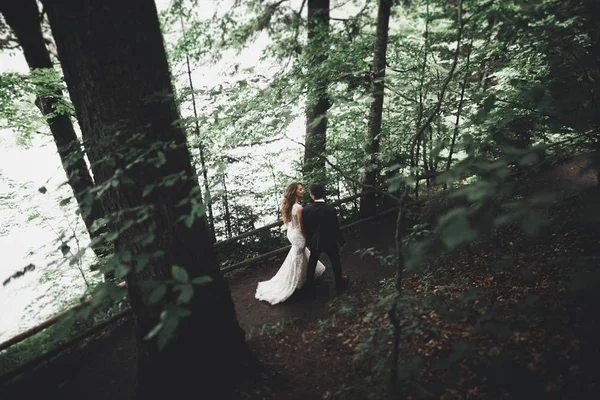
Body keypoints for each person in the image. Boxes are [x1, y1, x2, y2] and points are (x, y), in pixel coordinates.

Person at [255, 182, 326, 305]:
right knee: (298, 256)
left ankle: (304, 278)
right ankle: (296, 282)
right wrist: (308, 237)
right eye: (300, 189)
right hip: (298, 235)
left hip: (291, 233)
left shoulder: (290, 205)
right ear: (294, 192)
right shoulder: (298, 208)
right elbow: (302, 227)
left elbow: (289, 222)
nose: (303, 190)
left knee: (298, 255)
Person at [302, 183, 349, 293]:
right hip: (329, 241)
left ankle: (310, 287)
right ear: (323, 193)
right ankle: (339, 284)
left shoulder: (306, 210)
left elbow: (307, 228)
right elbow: (335, 228)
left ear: (311, 195)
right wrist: (341, 241)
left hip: (315, 241)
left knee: (312, 263)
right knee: (335, 262)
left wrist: (309, 240)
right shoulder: (330, 209)